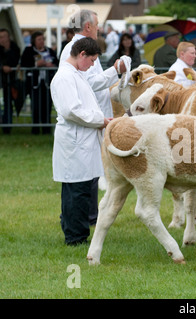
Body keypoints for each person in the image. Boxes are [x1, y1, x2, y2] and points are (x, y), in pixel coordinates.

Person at [60, 9, 125, 226]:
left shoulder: (83, 48)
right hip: (85, 123)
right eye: (97, 25)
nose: (99, 29)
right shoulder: (74, 50)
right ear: (88, 26)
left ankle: (86, 217)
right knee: (83, 178)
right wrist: (114, 70)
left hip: (93, 120)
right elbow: (91, 82)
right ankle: (82, 220)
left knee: (92, 173)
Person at [51, 37, 110, 246]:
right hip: (75, 141)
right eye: (92, 60)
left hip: (81, 140)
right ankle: (75, 237)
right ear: (82, 54)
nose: (92, 65)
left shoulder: (77, 74)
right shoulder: (65, 77)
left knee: (79, 188)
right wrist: (99, 120)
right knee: (77, 191)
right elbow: (71, 110)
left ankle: (75, 232)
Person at [20, 31, 59, 134]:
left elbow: (57, 62)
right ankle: (35, 128)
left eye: (43, 39)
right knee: (36, 106)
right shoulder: (28, 51)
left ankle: (46, 129)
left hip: (47, 83)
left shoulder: (49, 51)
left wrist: (52, 65)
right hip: (34, 84)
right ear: (34, 41)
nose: (42, 41)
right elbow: (24, 63)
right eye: (39, 39)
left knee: (47, 106)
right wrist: (36, 64)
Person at [0, 28, 21, 134]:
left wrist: (8, 50)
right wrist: (2, 67)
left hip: (9, 80)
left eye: (4, 36)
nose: (2, 39)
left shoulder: (14, 47)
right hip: (2, 77)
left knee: (8, 102)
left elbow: (15, 60)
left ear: (8, 37)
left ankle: (7, 127)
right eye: (0, 37)